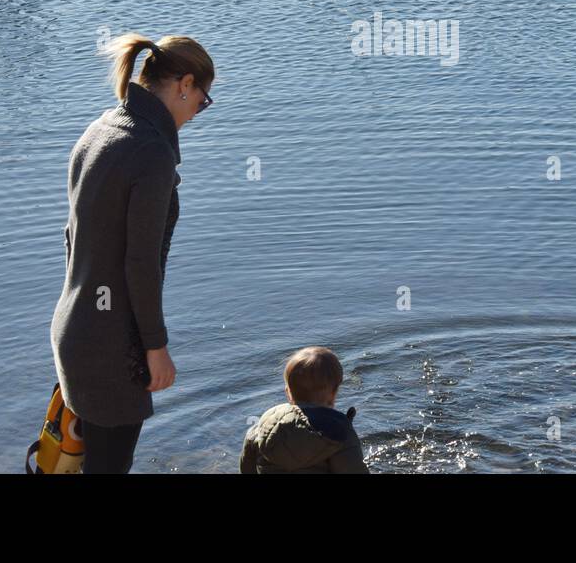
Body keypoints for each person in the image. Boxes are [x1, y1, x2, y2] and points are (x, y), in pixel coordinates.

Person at [50, 33, 215, 474]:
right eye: (202, 101)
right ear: (184, 83)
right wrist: (155, 346)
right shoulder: (151, 153)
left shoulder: (100, 128)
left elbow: (71, 238)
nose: (197, 114)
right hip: (110, 345)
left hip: (75, 328)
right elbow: (139, 263)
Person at [240, 346, 369, 474]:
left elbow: (247, 464)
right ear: (333, 393)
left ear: (287, 392)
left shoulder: (266, 423)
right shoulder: (338, 434)